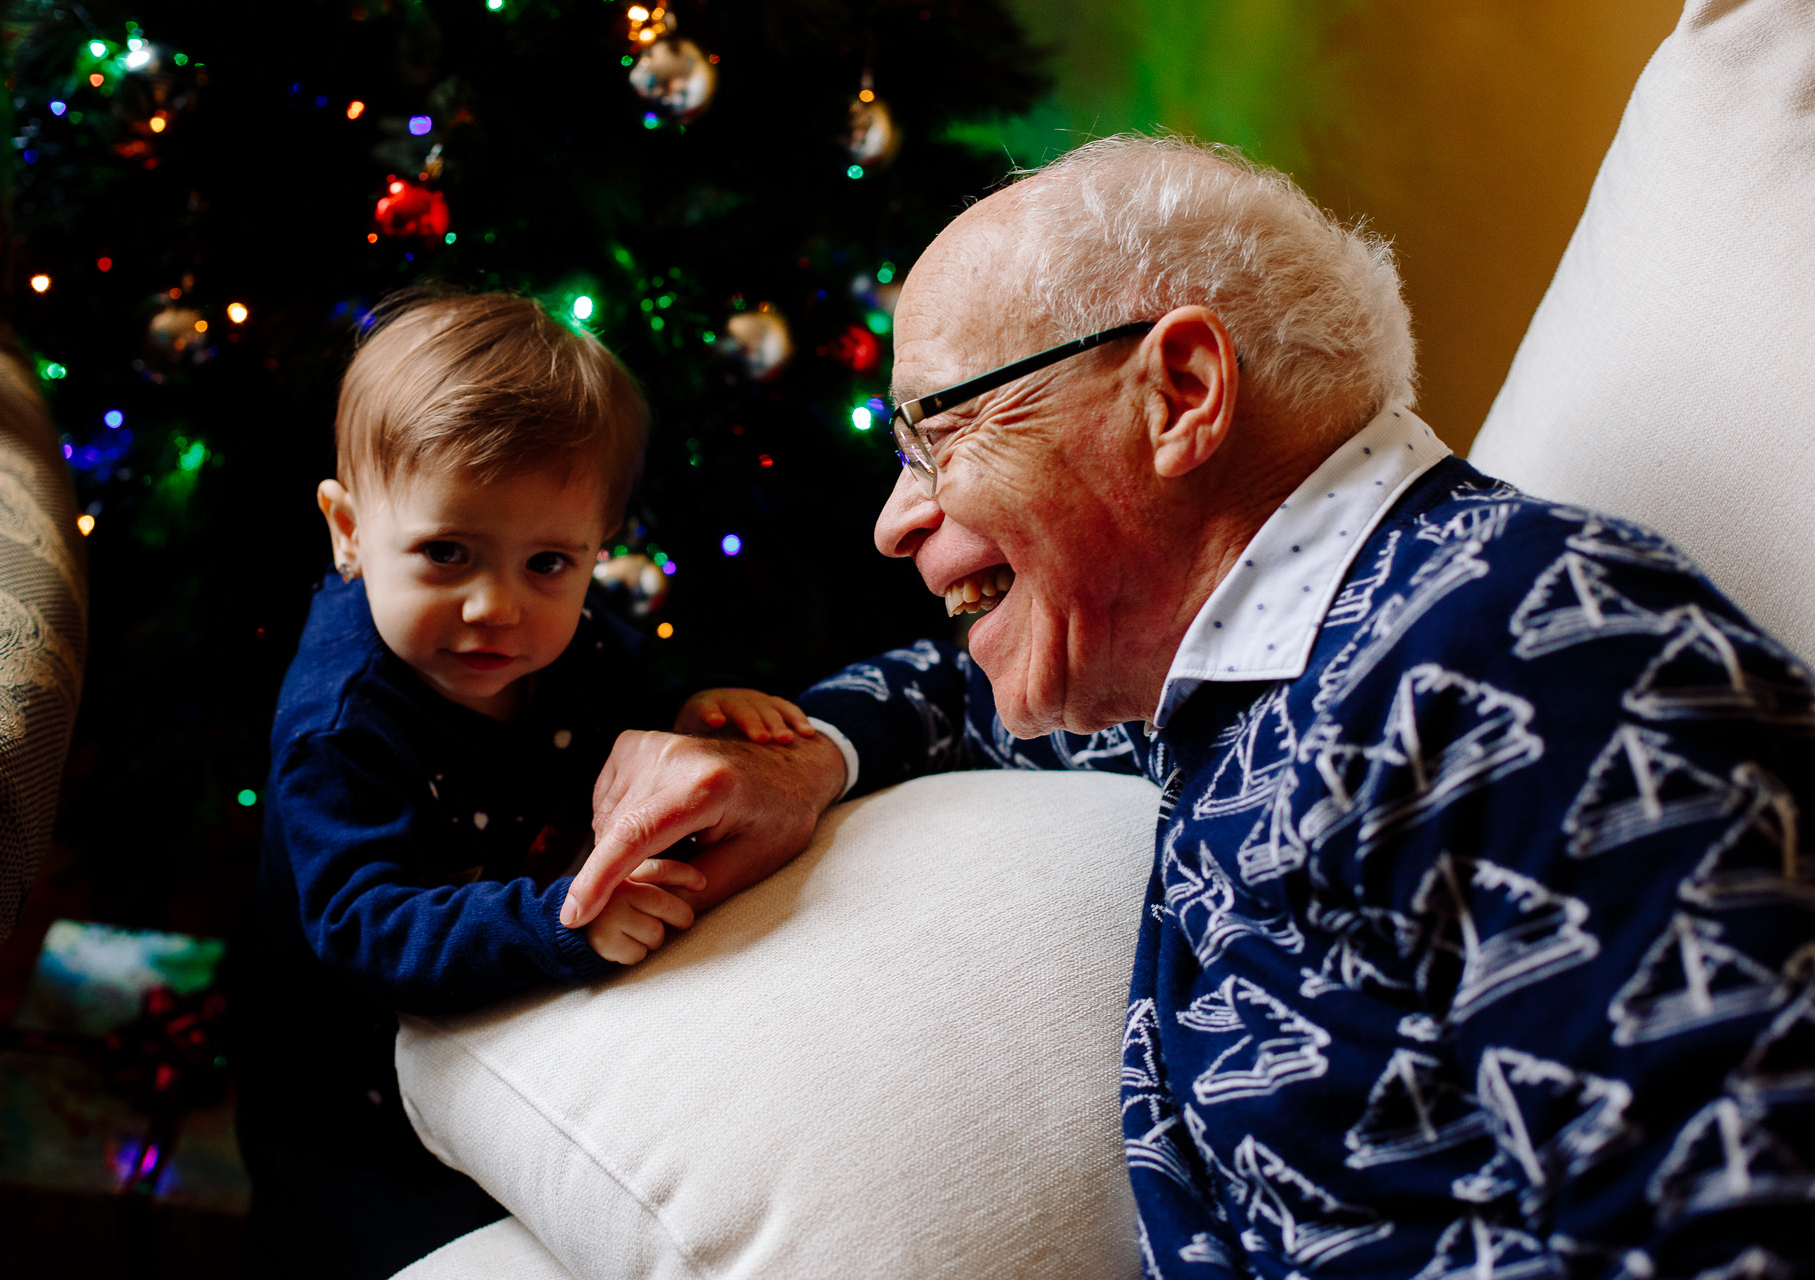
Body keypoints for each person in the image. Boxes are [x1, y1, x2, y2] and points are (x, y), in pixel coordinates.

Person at [562, 136, 1815, 1278]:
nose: (895, 521)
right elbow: (962, 695)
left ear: (1181, 393)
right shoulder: (1240, 666)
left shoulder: (1522, 652)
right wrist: (806, 756)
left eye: (938, 433)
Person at [232, 288, 810, 1279]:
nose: (496, 606)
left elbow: (627, 698)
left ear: (597, 548)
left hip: (518, 1026)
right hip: (353, 1103)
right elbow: (366, 921)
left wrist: (691, 715)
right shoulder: (342, 724)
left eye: (549, 561)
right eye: (446, 552)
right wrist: (561, 923)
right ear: (349, 529)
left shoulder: (567, 640)